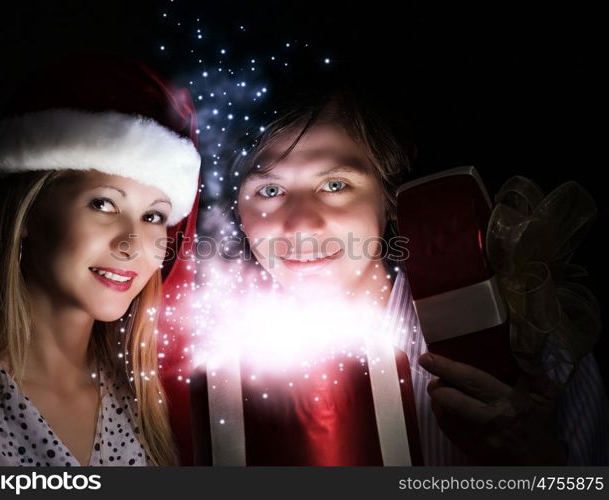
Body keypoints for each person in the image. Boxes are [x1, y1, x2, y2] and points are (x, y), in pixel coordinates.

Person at [221, 75, 609, 465]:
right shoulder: (217, 366)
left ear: (389, 198)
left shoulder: (525, 342)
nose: (301, 224)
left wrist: (535, 460)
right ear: (238, 211)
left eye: (335, 185)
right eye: (270, 191)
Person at [0, 54, 200, 466]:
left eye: (153, 216)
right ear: (29, 213)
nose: (133, 243)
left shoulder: (143, 399)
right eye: (103, 204)